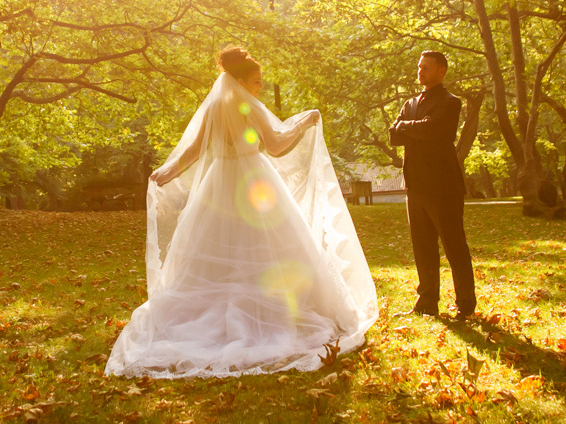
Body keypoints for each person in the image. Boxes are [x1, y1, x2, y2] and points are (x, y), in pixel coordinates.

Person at [106, 46, 378, 378]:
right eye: (257, 81)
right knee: (271, 242)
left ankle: (221, 307)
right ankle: (275, 310)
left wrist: (168, 171)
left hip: (218, 183)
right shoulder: (248, 104)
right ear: (240, 81)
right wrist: (304, 122)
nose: (260, 87)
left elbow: (193, 150)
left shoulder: (216, 106)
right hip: (254, 182)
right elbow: (276, 146)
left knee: (212, 245)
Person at [389, 50, 476, 320]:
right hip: (414, 186)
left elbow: (437, 130)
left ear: (442, 71)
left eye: (426, 67)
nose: (421, 71)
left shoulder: (451, 102)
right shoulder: (411, 103)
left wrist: (409, 127)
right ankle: (427, 301)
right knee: (423, 246)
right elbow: (393, 135)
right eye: (419, 66)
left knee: (454, 245)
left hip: (443, 186)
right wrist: (415, 128)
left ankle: (465, 304)